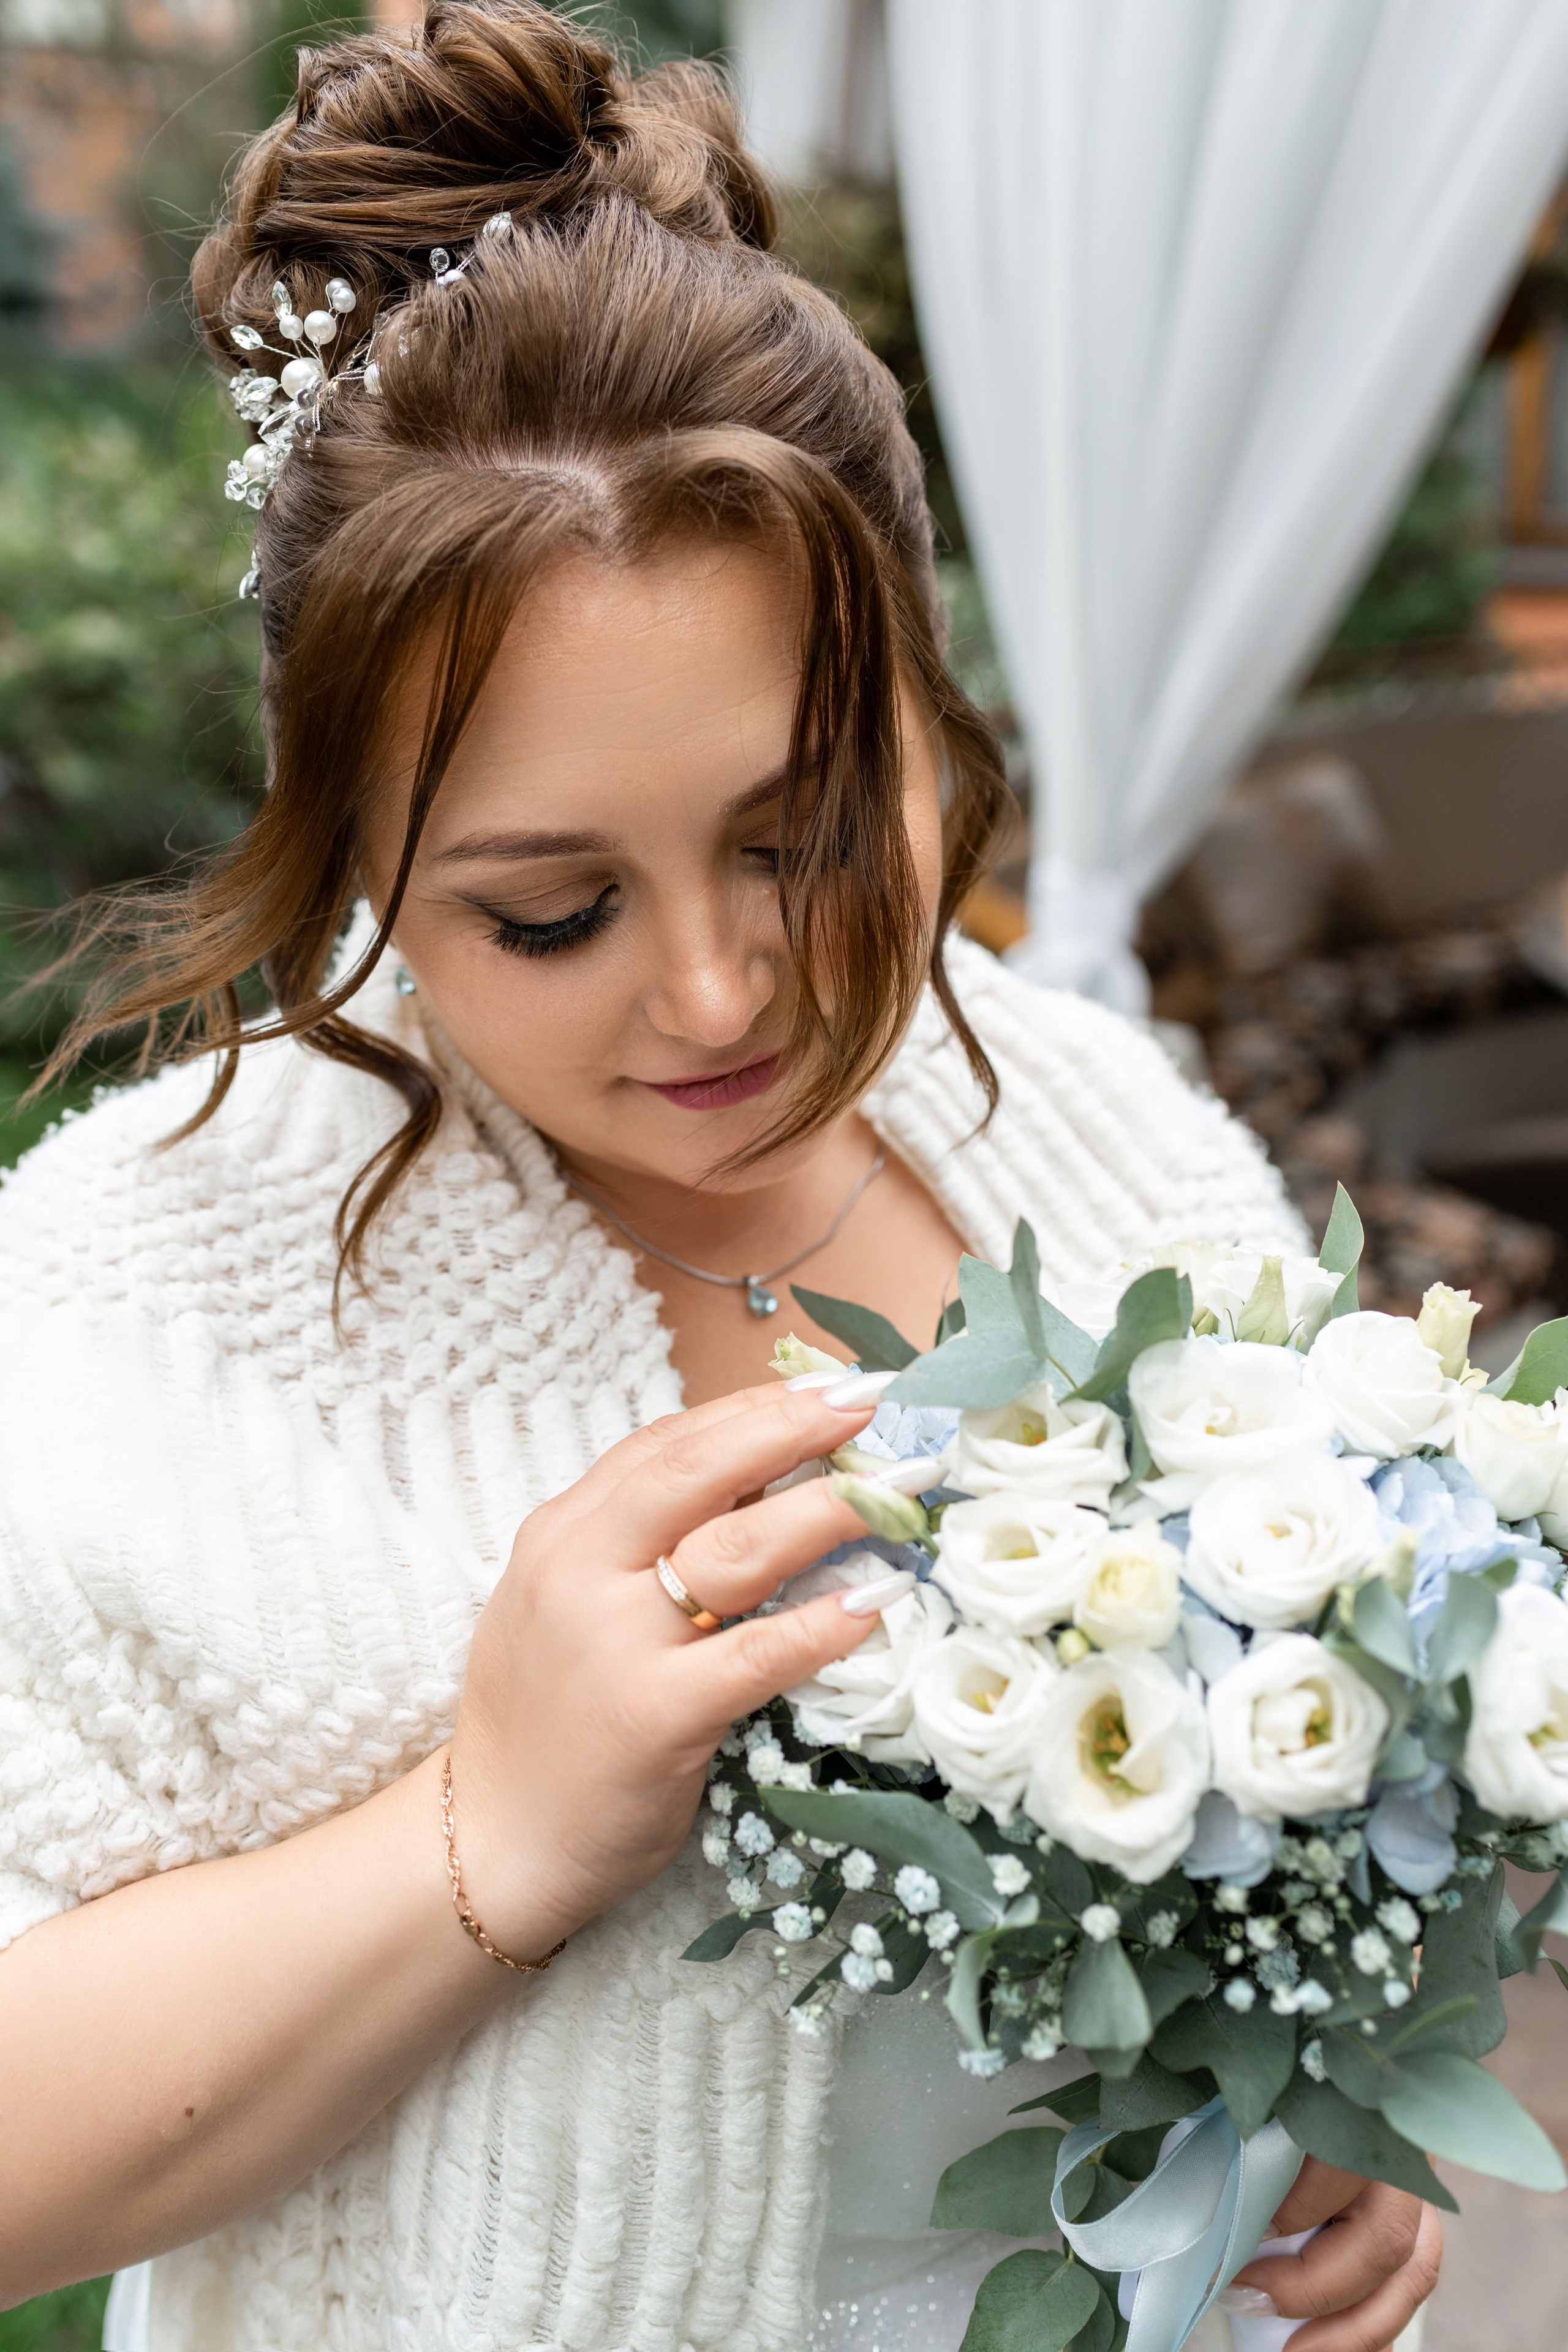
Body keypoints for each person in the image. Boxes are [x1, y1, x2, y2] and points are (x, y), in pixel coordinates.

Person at [0, 7, 1442, 2348]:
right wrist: (488, 1835)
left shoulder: (1100, 1137)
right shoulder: (146, 1283)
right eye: (545, 909)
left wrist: (1338, 2121)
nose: (716, 995)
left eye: (802, 836)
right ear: (348, 836)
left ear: (927, 700)